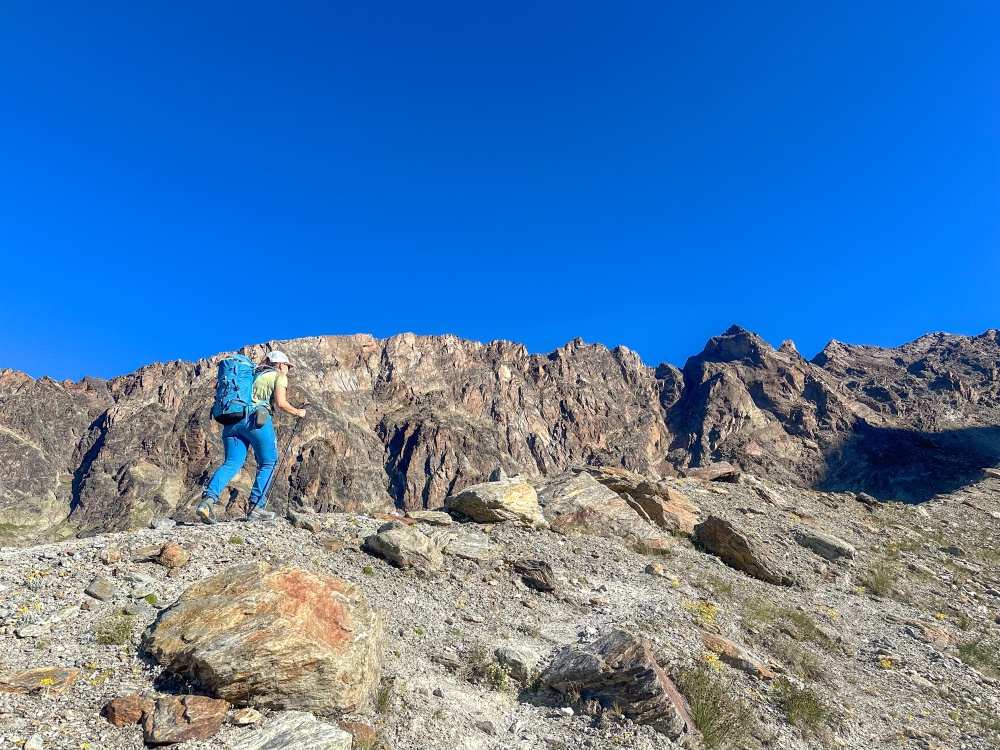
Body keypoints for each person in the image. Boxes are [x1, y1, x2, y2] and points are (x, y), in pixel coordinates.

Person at [197, 350, 307, 523]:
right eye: (287, 366)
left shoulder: (251, 376)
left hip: (232, 422)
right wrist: (298, 412)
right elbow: (281, 403)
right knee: (269, 461)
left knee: (231, 463)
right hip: (255, 421)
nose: (288, 369)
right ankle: (256, 507)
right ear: (279, 365)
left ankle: (207, 502)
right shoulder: (279, 377)